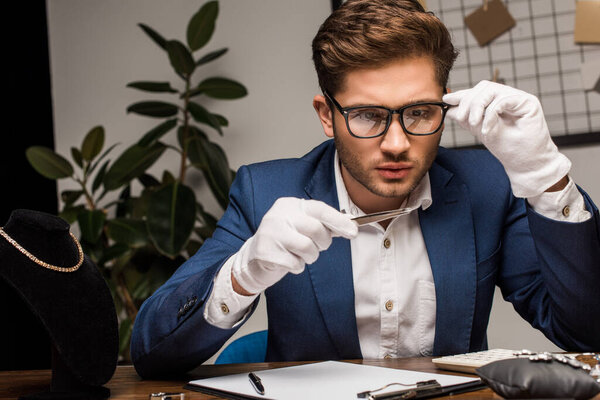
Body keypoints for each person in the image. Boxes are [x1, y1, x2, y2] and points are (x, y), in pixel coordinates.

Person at [130, 0, 600, 378]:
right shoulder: (264, 190)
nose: (397, 144)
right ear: (325, 115)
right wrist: (243, 273)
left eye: (418, 112)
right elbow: (151, 354)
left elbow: (586, 333)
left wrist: (546, 177)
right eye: (369, 116)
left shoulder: (488, 187)